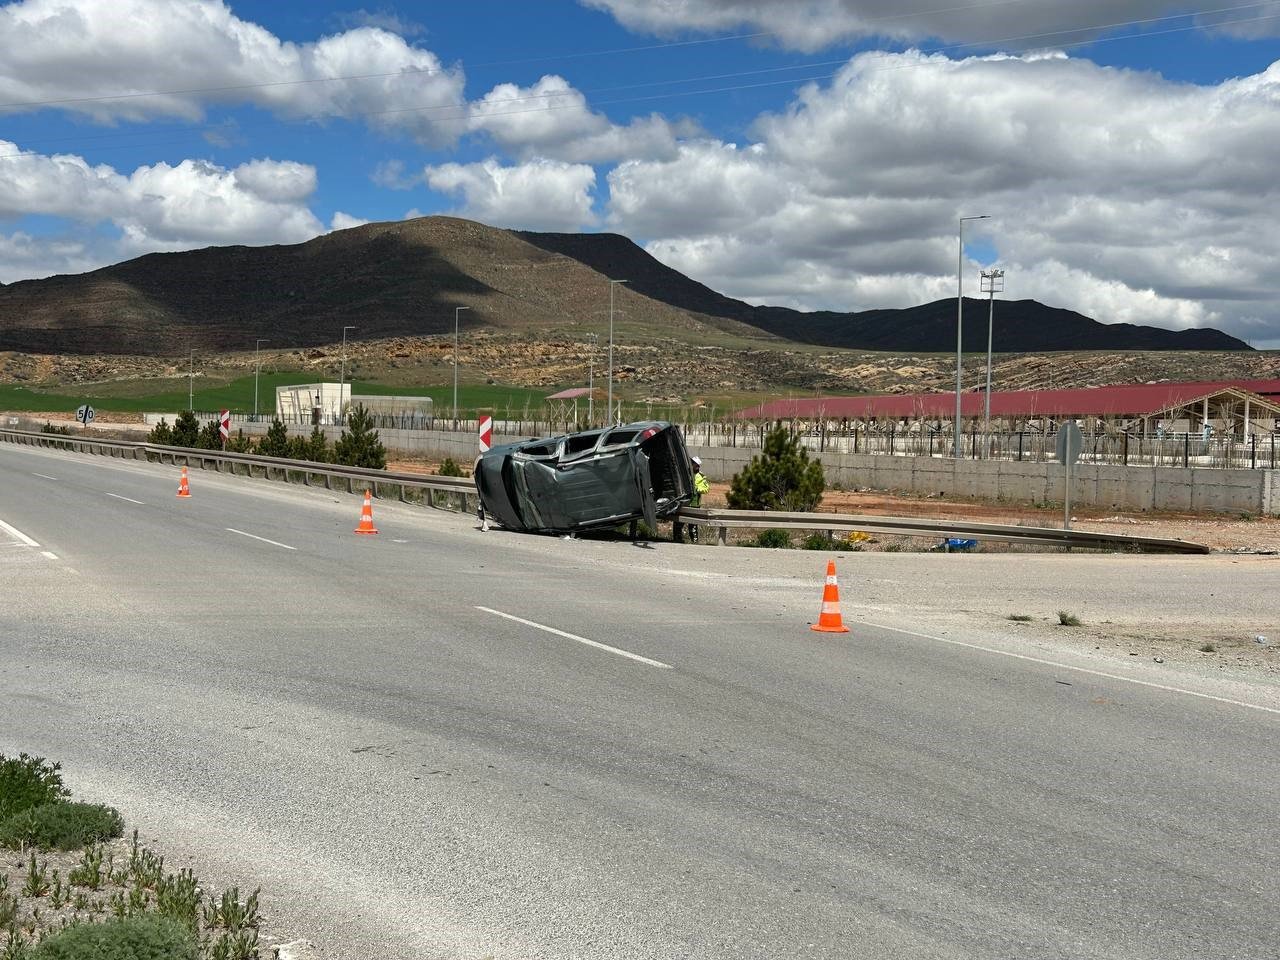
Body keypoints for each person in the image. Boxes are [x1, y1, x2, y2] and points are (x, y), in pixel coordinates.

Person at [675, 456, 711, 543]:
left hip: (694, 505)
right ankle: (677, 539)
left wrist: (696, 489)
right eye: (692, 463)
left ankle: (695, 542)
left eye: (694, 464)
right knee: (678, 523)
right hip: (685, 503)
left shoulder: (701, 476)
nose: (693, 465)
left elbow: (706, 489)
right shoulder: (686, 473)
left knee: (693, 526)